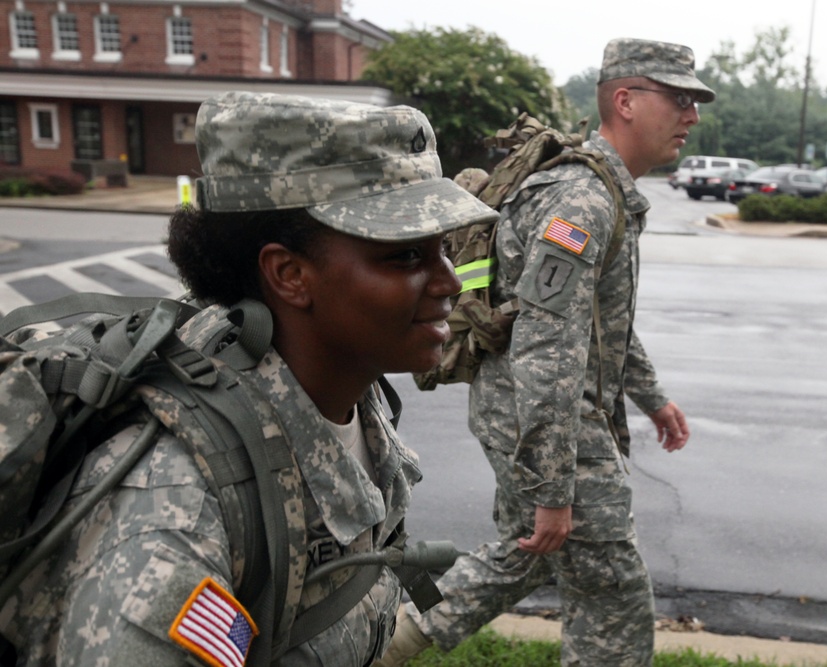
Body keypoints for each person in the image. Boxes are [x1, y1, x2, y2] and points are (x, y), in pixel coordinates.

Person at [0, 91, 498, 666]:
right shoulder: (174, 517)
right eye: (407, 256)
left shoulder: (349, 391)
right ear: (289, 274)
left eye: (445, 249)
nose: (451, 281)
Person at [376, 38, 713, 667]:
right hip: (544, 420)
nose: (692, 114)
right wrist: (552, 486)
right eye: (680, 98)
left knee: (529, 553)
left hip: (527, 413)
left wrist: (652, 396)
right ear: (626, 101)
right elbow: (546, 348)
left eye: (694, 100)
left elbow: (599, 323)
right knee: (614, 599)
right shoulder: (580, 200)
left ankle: (383, 643)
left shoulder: (605, 193)